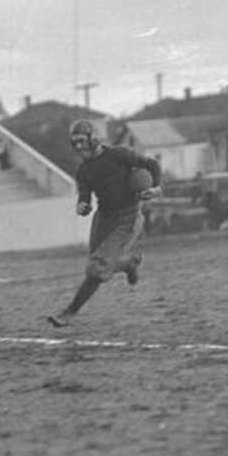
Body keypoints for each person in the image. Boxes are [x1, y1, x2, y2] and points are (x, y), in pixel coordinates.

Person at [47, 120, 162, 327]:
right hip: (104, 218)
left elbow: (151, 165)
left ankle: (69, 312)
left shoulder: (118, 154)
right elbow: (84, 196)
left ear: (94, 137)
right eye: (74, 142)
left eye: (82, 141)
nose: (78, 146)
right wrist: (82, 206)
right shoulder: (83, 170)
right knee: (97, 265)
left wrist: (156, 188)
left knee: (97, 268)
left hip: (128, 217)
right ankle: (128, 263)